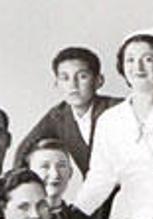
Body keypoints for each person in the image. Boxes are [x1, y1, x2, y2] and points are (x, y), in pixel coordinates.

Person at [72, 29, 153, 219]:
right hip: (128, 216)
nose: (138, 67)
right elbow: (100, 178)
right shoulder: (110, 120)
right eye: (130, 60)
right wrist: (73, 214)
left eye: (148, 59)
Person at [13, 47, 122, 178]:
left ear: (99, 81)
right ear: (57, 84)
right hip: (96, 192)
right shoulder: (59, 116)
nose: (73, 85)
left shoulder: (119, 108)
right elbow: (24, 150)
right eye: (65, 78)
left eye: (82, 76)